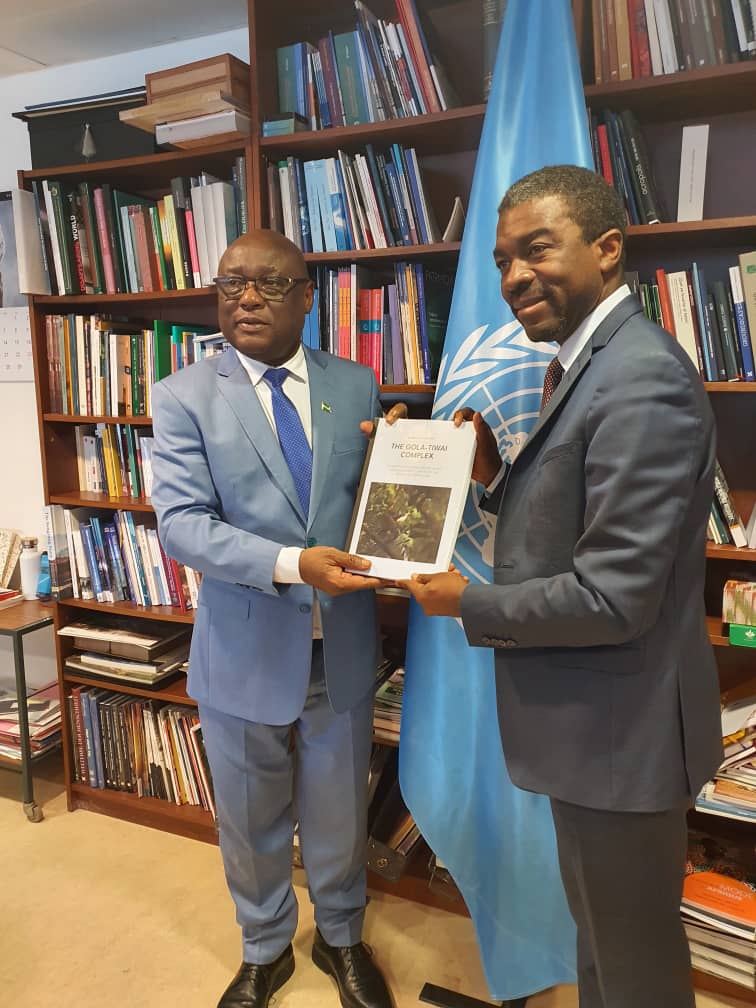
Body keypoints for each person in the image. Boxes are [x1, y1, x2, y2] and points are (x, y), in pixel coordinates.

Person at [399, 164, 723, 1008]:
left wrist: (461, 603)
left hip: (620, 732)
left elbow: (613, 596)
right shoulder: (586, 361)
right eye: (504, 259)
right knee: (605, 943)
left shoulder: (640, 375)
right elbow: (576, 505)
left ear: (608, 249)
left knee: (634, 964)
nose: (512, 278)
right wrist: (492, 471)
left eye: (536, 250)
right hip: (597, 724)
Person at [151, 228, 402, 1008]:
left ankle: (341, 937)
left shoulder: (355, 384)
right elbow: (182, 525)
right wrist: (293, 564)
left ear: (307, 293)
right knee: (252, 818)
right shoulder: (184, 394)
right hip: (246, 649)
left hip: (344, 647)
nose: (246, 298)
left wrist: (407, 464)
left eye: (266, 283)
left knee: (337, 810)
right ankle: (264, 946)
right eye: (230, 285)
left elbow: (375, 508)